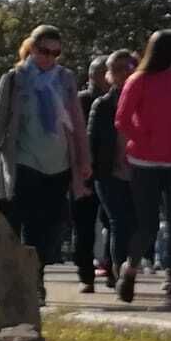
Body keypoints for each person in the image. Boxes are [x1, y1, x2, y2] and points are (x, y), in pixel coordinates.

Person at [0, 25, 93, 300]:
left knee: (51, 226)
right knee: (25, 222)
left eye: (56, 52)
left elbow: (77, 121)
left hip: (60, 163)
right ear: (31, 48)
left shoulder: (65, 78)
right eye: (44, 51)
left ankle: (34, 274)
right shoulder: (15, 79)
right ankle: (30, 282)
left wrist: (84, 160)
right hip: (24, 160)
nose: (49, 57)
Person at [115, 31, 171, 310]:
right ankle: (130, 271)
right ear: (169, 52)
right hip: (144, 164)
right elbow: (122, 120)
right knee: (147, 225)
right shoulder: (137, 80)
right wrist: (145, 138)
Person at [89, 50, 137, 288]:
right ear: (109, 74)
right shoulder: (103, 104)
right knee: (119, 221)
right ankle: (119, 273)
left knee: (136, 223)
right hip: (109, 174)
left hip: (140, 172)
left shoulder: (145, 102)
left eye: (129, 66)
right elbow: (92, 141)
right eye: (117, 69)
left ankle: (119, 266)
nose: (124, 72)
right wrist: (88, 172)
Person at [69, 56, 110, 294]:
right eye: (104, 72)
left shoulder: (115, 99)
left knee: (114, 224)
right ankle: (86, 275)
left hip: (109, 173)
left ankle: (111, 268)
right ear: (93, 75)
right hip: (83, 173)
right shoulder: (81, 101)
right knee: (83, 227)